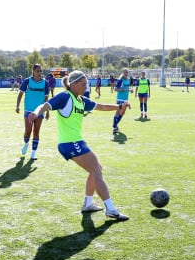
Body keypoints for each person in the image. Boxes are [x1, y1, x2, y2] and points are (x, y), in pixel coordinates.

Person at [28, 70, 130, 221]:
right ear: (73, 84)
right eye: (83, 84)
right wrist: (36, 113)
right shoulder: (65, 97)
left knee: (96, 169)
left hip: (77, 142)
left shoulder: (81, 100)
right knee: (96, 170)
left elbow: (100, 106)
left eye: (87, 84)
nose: (86, 87)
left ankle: (88, 204)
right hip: (69, 143)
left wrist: (118, 107)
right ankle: (111, 209)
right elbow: (44, 106)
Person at [15, 64, 50, 160]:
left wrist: (47, 112)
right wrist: (17, 106)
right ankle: (26, 143)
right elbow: (20, 94)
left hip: (40, 111)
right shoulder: (27, 81)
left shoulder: (45, 83)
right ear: (33, 71)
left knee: (36, 131)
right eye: (37, 71)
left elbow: (46, 98)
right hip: (28, 110)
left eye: (40, 71)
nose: (39, 73)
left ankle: (33, 153)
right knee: (28, 131)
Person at [112, 68, 131, 133]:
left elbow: (127, 88)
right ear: (123, 73)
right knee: (118, 112)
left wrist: (129, 90)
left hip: (125, 99)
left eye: (127, 72)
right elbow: (115, 89)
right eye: (125, 72)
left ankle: (115, 125)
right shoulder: (120, 80)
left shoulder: (128, 80)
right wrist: (123, 90)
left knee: (122, 113)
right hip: (120, 98)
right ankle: (114, 126)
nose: (126, 74)